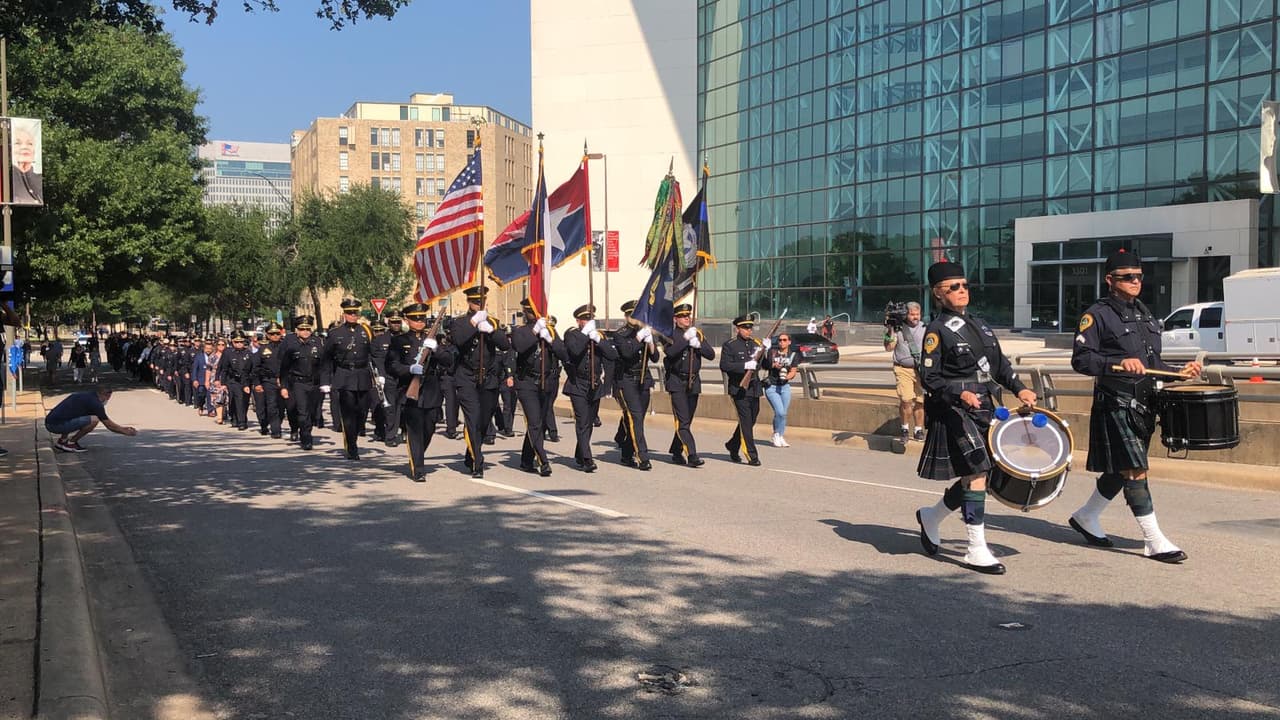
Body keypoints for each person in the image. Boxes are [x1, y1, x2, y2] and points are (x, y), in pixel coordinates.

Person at [1067, 249, 1201, 563]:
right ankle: (1154, 541)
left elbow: (1152, 362)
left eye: (1139, 276)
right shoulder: (1097, 315)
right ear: (1110, 280)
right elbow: (1081, 360)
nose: (1135, 282)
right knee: (1135, 468)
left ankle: (1087, 516)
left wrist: (1178, 372)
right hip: (1115, 400)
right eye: (1128, 277)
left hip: (1144, 401)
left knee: (1121, 468)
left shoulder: (1144, 314)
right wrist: (1117, 363)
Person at [912, 261, 1037, 575]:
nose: (962, 291)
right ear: (937, 294)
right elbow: (929, 377)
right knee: (979, 470)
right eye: (954, 287)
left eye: (965, 285)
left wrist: (1021, 389)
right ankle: (975, 549)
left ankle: (932, 515)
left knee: (982, 473)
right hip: (954, 409)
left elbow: (1000, 366)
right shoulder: (936, 330)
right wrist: (958, 394)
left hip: (985, 405)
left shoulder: (981, 325)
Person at [448, 286, 510, 478]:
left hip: (489, 379)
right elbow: (458, 340)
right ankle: (477, 463)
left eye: (481, 302)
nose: (478, 305)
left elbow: (505, 344)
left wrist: (491, 331)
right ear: (469, 302)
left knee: (483, 421)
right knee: (473, 420)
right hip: (467, 377)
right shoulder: (460, 323)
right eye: (475, 302)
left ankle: (471, 453)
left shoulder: (493, 322)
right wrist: (474, 323)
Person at [387, 302, 454, 482]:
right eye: (415, 319)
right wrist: (409, 369)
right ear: (407, 320)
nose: (419, 322)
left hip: (431, 389)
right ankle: (418, 467)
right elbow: (392, 365)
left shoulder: (435, 339)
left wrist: (436, 349)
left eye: (422, 318)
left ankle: (417, 455)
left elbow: (449, 361)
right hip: (410, 389)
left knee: (429, 427)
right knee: (415, 430)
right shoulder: (399, 341)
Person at [509, 298, 568, 477]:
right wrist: (535, 332)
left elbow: (563, 353)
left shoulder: (550, 330)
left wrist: (550, 339)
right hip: (527, 383)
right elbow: (518, 346)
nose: (531, 316)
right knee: (534, 422)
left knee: (539, 424)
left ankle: (526, 459)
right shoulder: (521, 331)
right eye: (530, 312)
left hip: (547, 382)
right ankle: (543, 461)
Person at [561, 304, 617, 472]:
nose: (587, 322)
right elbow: (575, 351)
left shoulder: (597, 336)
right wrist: (586, 335)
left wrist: (599, 340)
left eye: (589, 319)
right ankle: (587, 459)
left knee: (590, 422)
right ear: (578, 321)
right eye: (584, 319)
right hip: (577, 383)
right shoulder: (572, 335)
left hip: (594, 384)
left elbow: (612, 356)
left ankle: (580, 453)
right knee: (582, 421)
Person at [322, 299, 375, 460]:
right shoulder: (335, 333)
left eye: (355, 313)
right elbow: (327, 359)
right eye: (350, 313)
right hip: (344, 375)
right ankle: (352, 446)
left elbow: (374, 353)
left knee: (362, 411)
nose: (353, 316)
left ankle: (357, 433)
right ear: (344, 314)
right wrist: (325, 381)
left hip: (363, 374)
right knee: (348, 413)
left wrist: (381, 375)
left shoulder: (366, 330)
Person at [663, 303, 715, 467]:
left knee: (687, 420)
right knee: (683, 421)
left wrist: (698, 345)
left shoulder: (697, 333)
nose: (687, 318)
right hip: (677, 381)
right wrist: (685, 341)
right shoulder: (669, 334)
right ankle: (692, 455)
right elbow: (670, 353)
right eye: (683, 316)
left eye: (688, 315)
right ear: (675, 318)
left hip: (693, 382)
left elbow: (711, 355)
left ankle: (676, 450)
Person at [611, 300, 656, 470]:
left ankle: (626, 452)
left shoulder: (644, 333)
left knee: (636, 419)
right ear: (626, 316)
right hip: (626, 380)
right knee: (635, 417)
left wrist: (650, 342)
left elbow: (655, 358)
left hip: (643, 380)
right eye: (632, 315)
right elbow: (627, 352)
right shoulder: (620, 334)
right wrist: (639, 338)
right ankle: (643, 457)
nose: (635, 318)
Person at [719, 314, 764, 466]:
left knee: (751, 419)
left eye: (750, 327)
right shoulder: (730, 345)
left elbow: (766, 364)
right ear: (738, 329)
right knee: (745, 421)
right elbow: (725, 366)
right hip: (739, 389)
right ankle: (752, 455)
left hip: (754, 388)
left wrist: (768, 349)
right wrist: (744, 366)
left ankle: (733, 444)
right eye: (745, 328)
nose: (748, 330)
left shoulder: (755, 343)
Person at [45, 385, 137, 452]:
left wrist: (122, 428)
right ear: (106, 395)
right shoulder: (95, 404)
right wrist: (125, 431)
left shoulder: (87, 396)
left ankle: (62, 441)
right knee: (94, 420)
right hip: (55, 426)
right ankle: (71, 443)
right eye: (108, 397)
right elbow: (109, 425)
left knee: (72, 414)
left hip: (51, 421)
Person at [885, 301, 926, 441]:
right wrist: (890, 330)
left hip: (921, 370)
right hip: (903, 369)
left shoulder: (926, 328)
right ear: (906, 314)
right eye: (912, 314)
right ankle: (904, 428)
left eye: (917, 314)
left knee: (920, 401)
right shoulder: (898, 328)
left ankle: (919, 430)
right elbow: (889, 347)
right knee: (906, 399)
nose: (915, 317)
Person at [279, 316, 323, 449]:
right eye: (302, 329)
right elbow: (284, 369)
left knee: (313, 412)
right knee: (302, 411)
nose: (305, 331)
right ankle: (306, 438)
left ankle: (306, 430)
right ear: (296, 331)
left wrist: (327, 382)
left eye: (307, 329)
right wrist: (284, 386)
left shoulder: (318, 344)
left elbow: (325, 365)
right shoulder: (291, 346)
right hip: (298, 383)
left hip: (314, 384)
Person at [764, 332, 799, 448]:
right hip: (772, 386)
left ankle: (780, 435)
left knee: (783, 414)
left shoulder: (793, 355)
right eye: (780, 340)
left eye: (784, 340)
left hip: (784, 387)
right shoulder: (772, 352)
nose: (782, 342)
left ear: (789, 342)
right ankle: (776, 434)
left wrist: (786, 377)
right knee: (780, 412)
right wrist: (773, 365)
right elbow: (765, 364)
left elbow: (793, 371)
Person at [217, 331, 255, 430]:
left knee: (244, 401)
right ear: (232, 342)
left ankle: (239, 418)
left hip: (246, 381)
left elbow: (253, 369)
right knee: (236, 399)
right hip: (233, 380)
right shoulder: (228, 353)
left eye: (241, 342)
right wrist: (222, 382)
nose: (239, 344)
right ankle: (240, 421)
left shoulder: (249, 354)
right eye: (236, 342)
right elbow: (223, 368)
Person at [255, 323, 286, 438]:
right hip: (269, 380)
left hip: (284, 381)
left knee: (282, 407)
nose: (275, 336)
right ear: (267, 335)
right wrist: (257, 383)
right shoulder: (263, 349)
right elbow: (256, 368)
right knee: (272, 405)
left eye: (277, 333)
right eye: (272, 334)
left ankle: (278, 422)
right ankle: (275, 429)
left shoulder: (286, 347)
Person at [10, 123, 43, 205]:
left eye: (30, 143)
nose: (24, 147)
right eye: (18, 143)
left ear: (34, 150)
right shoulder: (8, 178)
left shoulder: (39, 179)